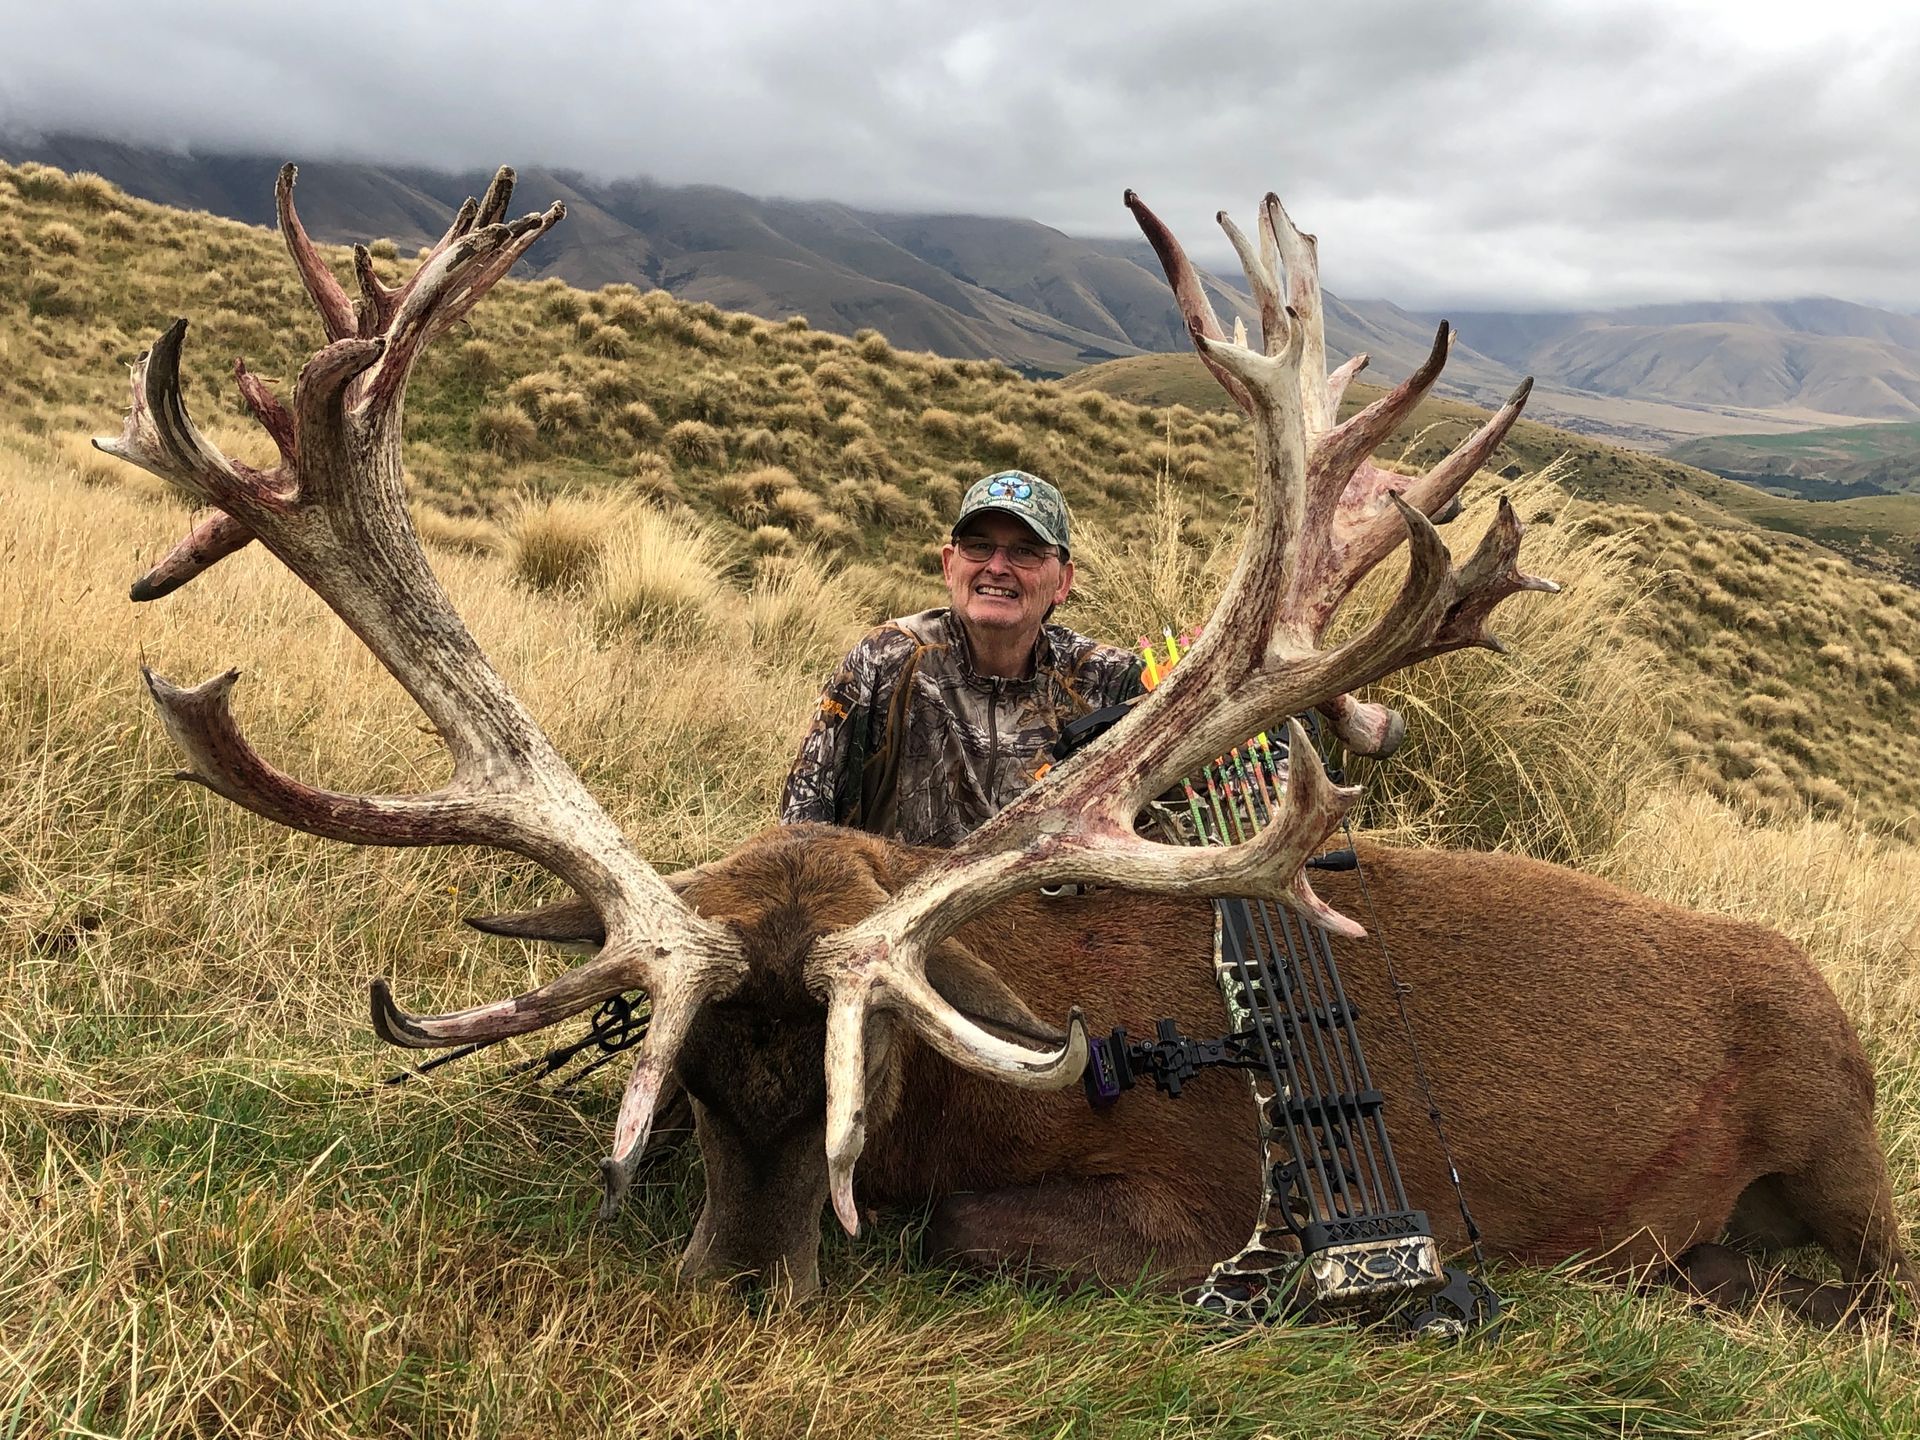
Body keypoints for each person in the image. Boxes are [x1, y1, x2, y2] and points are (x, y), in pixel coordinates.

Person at [780, 470, 1144, 847]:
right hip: (901, 901)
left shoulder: (1111, 681)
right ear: (949, 566)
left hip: (1049, 904)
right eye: (979, 546)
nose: (998, 567)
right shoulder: (885, 660)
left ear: (1062, 582)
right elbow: (802, 825)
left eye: (1025, 552)